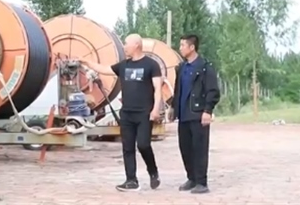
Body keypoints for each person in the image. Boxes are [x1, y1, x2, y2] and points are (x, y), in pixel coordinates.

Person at [82, 33, 162, 192]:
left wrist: (155, 109)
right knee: (127, 147)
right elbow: (104, 69)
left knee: (144, 145)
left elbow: (158, 89)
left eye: (126, 43)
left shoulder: (151, 65)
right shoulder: (124, 65)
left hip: (144, 113)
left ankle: (153, 172)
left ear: (136, 45)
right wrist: (86, 62)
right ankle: (131, 180)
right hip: (127, 114)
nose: (124, 47)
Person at [173, 34, 220, 194]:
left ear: (192, 47)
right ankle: (191, 178)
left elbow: (213, 91)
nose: (180, 48)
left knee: (199, 148)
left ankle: (201, 182)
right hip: (183, 114)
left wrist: (207, 110)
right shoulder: (181, 68)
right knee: (185, 148)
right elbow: (177, 90)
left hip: (198, 113)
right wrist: (173, 108)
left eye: (183, 45)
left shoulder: (205, 67)